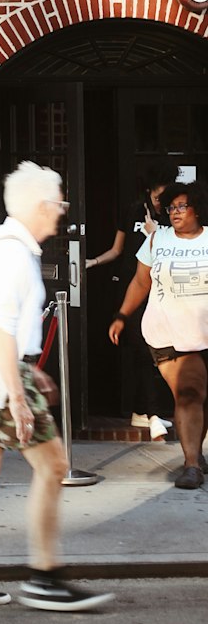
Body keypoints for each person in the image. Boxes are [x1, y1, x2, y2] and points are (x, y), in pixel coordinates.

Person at [0, 162, 112, 611]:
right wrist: (18, 396)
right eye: (59, 203)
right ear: (40, 204)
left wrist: (28, 371)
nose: (61, 212)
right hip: (0, 382)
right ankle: (45, 577)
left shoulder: (0, 245)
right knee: (54, 468)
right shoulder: (12, 253)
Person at [109, 179, 208, 489]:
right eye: (171, 207)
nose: (175, 212)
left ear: (198, 209)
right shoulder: (157, 240)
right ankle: (191, 463)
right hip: (165, 332)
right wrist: (122, 315)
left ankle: (195, 452)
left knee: (200, 397)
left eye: (182, 206)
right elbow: (141, 283)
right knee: (188, 392)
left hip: (204, 331)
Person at [87, 162, 176, 437]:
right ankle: (152, 416)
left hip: (162, 292)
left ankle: (142, 412)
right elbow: (117, 249)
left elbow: (173, 250)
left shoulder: (173, 216)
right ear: (150, 191)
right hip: (133, 291)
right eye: (159, 196)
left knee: (158, 351)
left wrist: (154, 232)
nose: (163, 202)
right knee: (142, 350)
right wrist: (93, 261)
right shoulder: (134, 211)